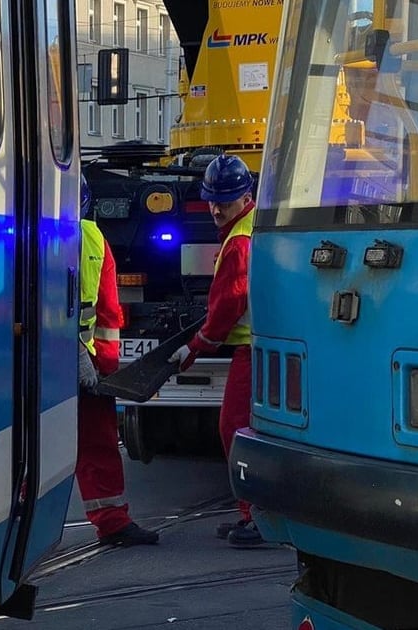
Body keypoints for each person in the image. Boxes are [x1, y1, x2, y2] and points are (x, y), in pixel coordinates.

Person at [167, 154, 263, 547]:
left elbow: (228, 304)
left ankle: (255, 516)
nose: (216, 208)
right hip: (266, 346)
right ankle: (260, 513)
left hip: (250, 351)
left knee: (235, 428)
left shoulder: (239, 242)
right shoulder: (253, 225)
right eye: (212, 199)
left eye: (225, 200)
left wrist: (195, 347)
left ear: (245, 196)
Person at [76, 173, 159, 547]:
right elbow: (108, 314)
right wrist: (103, 370)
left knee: (27, 443)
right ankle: (111, 522)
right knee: (97, 442)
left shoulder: (16, 234)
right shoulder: (95, 240)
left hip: (35, 361)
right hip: (85, 364)